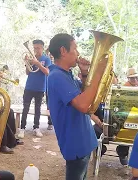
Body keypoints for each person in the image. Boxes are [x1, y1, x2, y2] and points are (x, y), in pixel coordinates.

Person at [47, 33, 107, 180]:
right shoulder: (56, 76)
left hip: (82, 141)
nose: (78, 53)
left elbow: (85, 94)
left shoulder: (67, 74)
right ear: (63, 51)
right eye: (75, 48)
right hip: (75, 144)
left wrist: (85, 73)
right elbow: (82, 105)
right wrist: (99, 72)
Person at [18, 40, 51, 138]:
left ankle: (36, 127)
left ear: (42, 48)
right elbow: (28, 73)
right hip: (29, 87)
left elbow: (47, 72)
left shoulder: (46, 59)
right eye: (34, 48)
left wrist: (38, 63)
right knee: (25, 108)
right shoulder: (32, 58)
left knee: (38, 109)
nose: (36, 50)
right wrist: (27, 62)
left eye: (38, 48)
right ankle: (22, 128)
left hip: (40, 88)